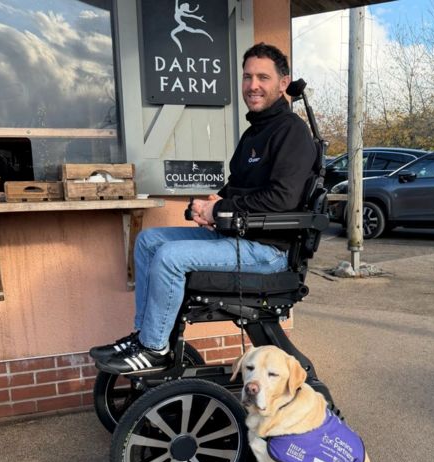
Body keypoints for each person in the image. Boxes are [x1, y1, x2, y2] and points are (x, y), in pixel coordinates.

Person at [90, 43, 316, 374]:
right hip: (239, 236)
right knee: (149, 241)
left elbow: (282, 199)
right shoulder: (254, 133)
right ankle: (149, 338)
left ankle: (153, 349)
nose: (253, 85)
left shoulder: (292, 132)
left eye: (263, 77)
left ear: (283, 83)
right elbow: (236, 188)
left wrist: (220, 209)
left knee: (170, 257)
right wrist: (210, 205)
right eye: (247, 77)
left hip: (269, 250)